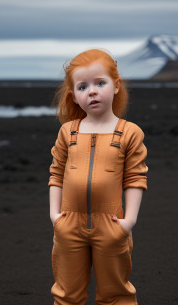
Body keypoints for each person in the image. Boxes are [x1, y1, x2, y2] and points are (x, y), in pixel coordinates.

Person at [48, 48, 148, 305]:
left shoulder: (129, 132)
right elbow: (56, 174)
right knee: (66, 295)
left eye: (99, 83)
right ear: (74, 96)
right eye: (82, 87)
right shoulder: (67, 132)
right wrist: (55, 216)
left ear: (116, 86)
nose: (91, 91)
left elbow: (135, 178)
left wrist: (129, 221)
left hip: (112, 224)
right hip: (69, 224)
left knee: (116, 295)